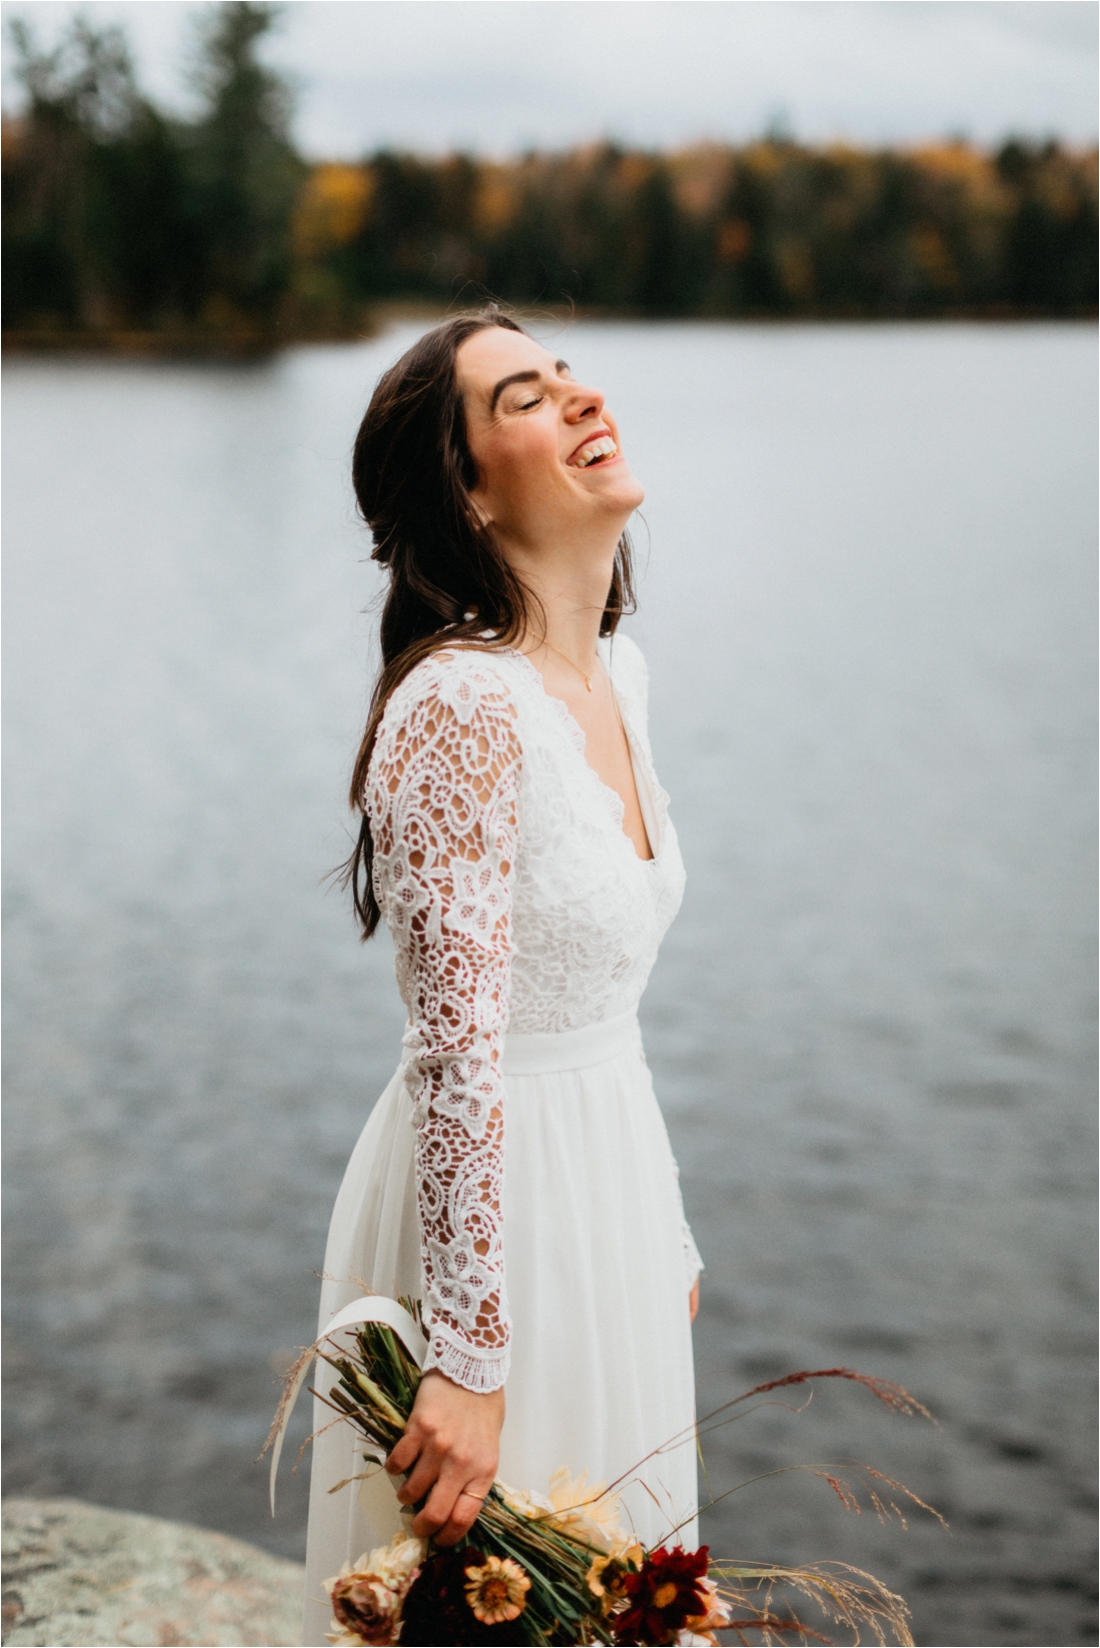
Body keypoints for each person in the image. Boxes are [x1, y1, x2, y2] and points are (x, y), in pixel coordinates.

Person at [302, 307, 702, 1645]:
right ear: (466, 494)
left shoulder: (616, 677)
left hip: (609, 1205)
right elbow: (457, 1048)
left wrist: (666, 1224)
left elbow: (600, 1005)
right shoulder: (460, 705)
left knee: (622, 1594)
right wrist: (470, 1361)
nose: (581, 397)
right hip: (498, 1232)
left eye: (569, 372)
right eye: (523, 397)